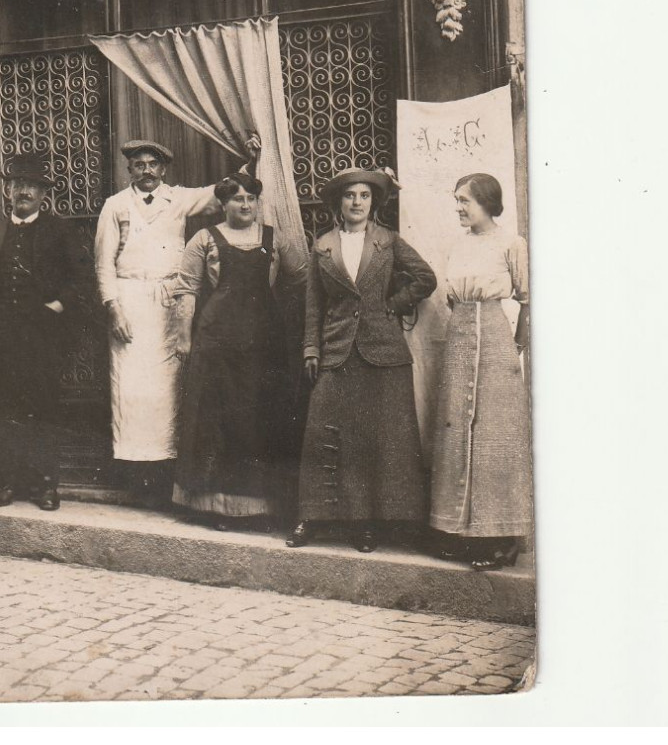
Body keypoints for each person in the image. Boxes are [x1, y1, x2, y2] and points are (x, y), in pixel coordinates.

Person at [288, 167, 437, 553]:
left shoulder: (388, 242)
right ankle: (313, 517)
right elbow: (313, 304)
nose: (357, 202)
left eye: (364, 196)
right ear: (339, 202)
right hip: (337, 351)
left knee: (377, 440)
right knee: (323, 434)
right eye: (350, 196)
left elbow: (424, 277)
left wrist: (392, 306)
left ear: (373, 203)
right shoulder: (322, 245)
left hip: (383, 353)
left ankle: (368, 523)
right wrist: (311, 348)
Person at [170, 172, 308, 531]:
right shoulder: (204, 239)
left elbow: (303, 279)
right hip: (217, 344)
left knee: (258, 420)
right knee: (217, 421)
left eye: (250, 199)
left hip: (264, 346)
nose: (245, 205)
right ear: (223, 204)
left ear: (258, 203)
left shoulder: (274, 239)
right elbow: (186, 290)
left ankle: (261, 508)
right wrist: (184, 337)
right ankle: (216, 508)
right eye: (236, 199)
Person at [94, 139, 228, 501]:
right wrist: (114, 308)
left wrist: (254, 162)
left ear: (164, 169)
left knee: (168, 389)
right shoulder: (116, 206)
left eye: (153, 164)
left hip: (169, 303)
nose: (147, 171)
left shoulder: (178, 199)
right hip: (130, 301)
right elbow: (103, 262)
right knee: (131, 390)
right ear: (130, 170)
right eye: (139, 165)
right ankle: (135, 478)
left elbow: (222, 194)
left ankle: (165, 475)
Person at [0, 152, 94, 511]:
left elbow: (81, 278)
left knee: (44, 409)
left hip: (43, 338)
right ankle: (7, 483)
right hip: (2, 339)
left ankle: (47, 486)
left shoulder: (60, 230)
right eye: (17, 185)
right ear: (8, 191)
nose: (23, 192)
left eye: (31, 186)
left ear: (42, 194)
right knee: (4, 409)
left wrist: (57, 307)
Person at [428, 173, 533, 571]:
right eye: (456, 200)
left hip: (494, 338)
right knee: (457, 432)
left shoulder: (512, 244)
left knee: (494, 437)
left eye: (464, 201)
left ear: (486, 202)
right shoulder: (458, 245)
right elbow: (454, 299)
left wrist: (517, 348)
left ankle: (501, 538)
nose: (458, 208)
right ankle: (458, 532)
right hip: (459, 339)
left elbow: (527, 299)